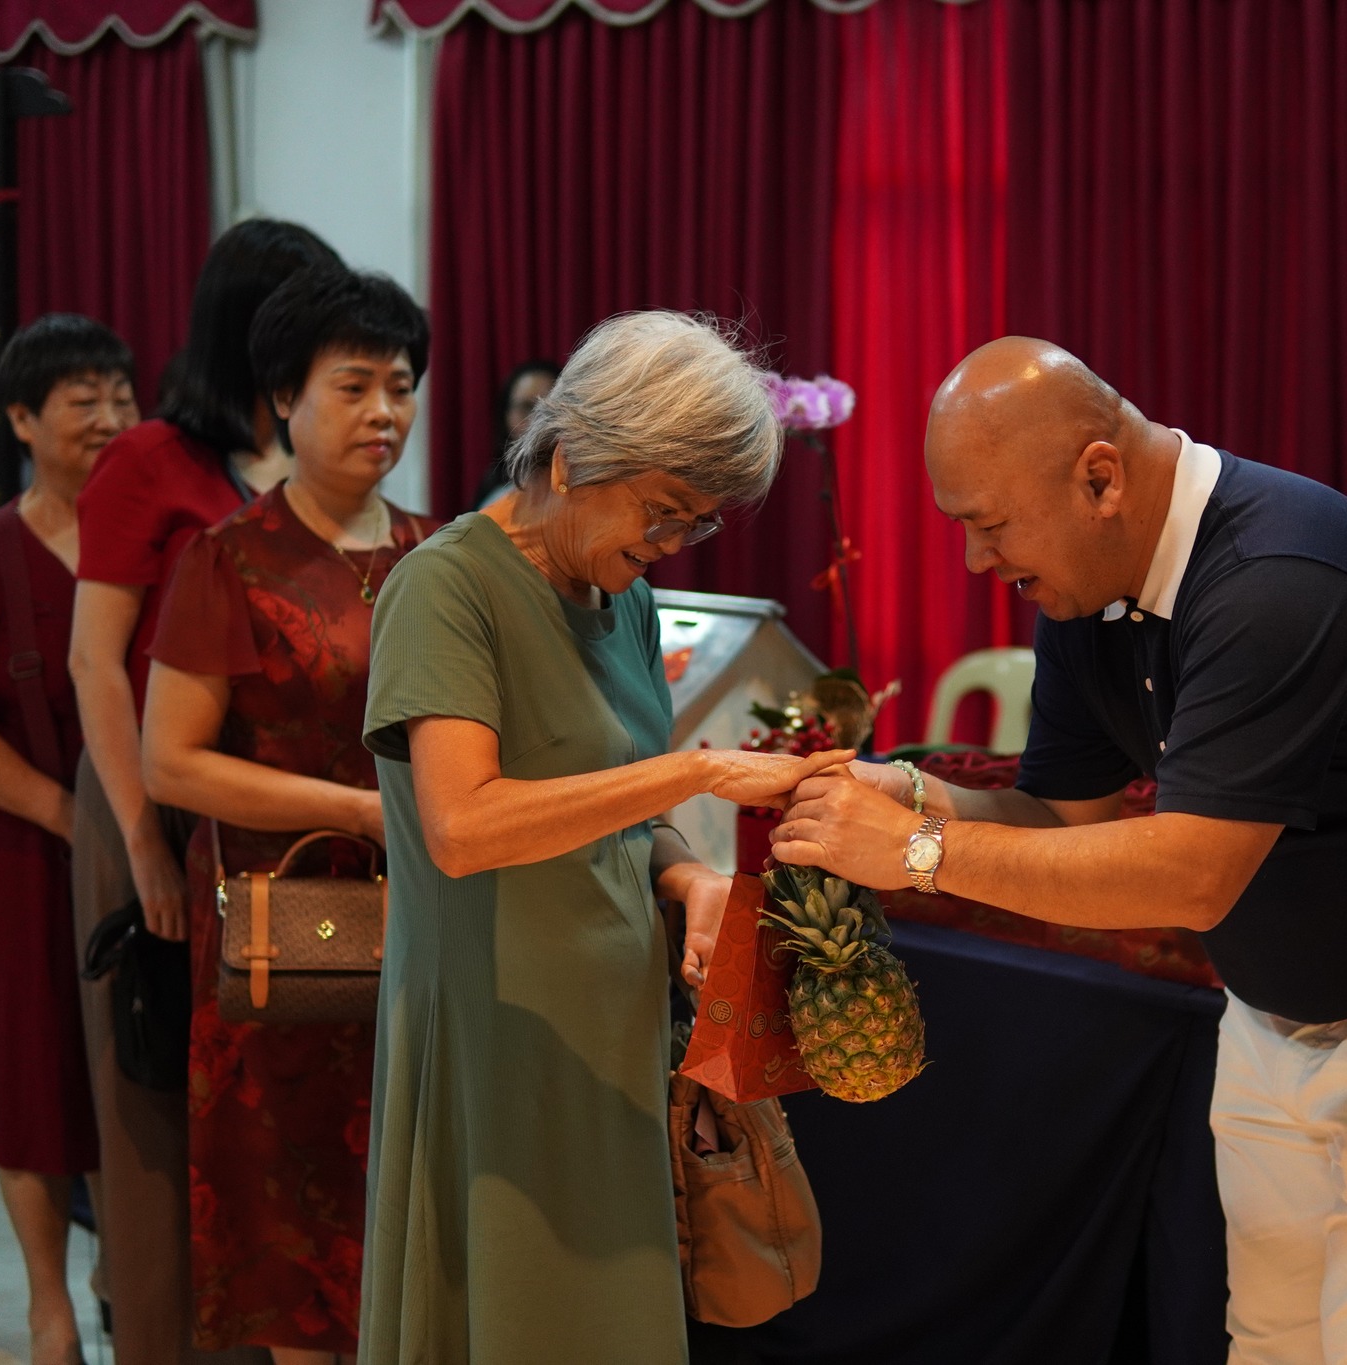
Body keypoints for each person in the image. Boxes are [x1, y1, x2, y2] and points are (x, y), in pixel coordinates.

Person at [772, 338, 1347, 1365]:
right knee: (1268, 1343)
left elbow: (1189, 875)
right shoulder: (1083, 591)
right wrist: (909, 790)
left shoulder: (1278, 576)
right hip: (1279, 1001)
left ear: (1099, 476)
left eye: (987, 526)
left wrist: (914, 852)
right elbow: (1063, 824)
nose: (975, 563)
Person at [358, 311, 851, 1364]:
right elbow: (461, 825)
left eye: (695, 524)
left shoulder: (617, 594)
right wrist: (701, 769)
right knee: (514, 1317)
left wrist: (687, 879)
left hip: (614, 1037)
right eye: (663, 511)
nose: (670, 543)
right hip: (499, 1038)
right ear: (572, 454)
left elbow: (627, 805)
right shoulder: (444, 589)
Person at [142, 266, 437, 1363]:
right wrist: (358, 812)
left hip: (427, 922)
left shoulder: (439, 556)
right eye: (352, 385)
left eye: (399, 386)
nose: (383, 413)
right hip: (282, 934)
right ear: (281, 397)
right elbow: (169, 764)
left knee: (409, 1197)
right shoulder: (229, 559)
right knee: (290, 1213)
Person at [66, 217, 341, 1365]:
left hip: (263, 815)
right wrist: (140, 843)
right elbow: (96, 659)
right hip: (149, 794)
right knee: (152, 1107)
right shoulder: (149, 461)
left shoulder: (306, 462)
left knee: (272, 1110)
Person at [0, 315, 137, 1363]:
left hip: (140, 857)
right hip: (19, 863)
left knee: (130, 1079)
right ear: (20, 419)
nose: (108, 418)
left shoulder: (155, 537)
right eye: (81, 401)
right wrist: (66, 820)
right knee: (31, 1084)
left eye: (120, 398)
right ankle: (49, 1308)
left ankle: (127, 1277)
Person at [471, 358, 560, 509]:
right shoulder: (494, 499)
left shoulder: (587, 490)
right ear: (506, 416)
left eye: (548, 409)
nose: (536, 420)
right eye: (526, 408)